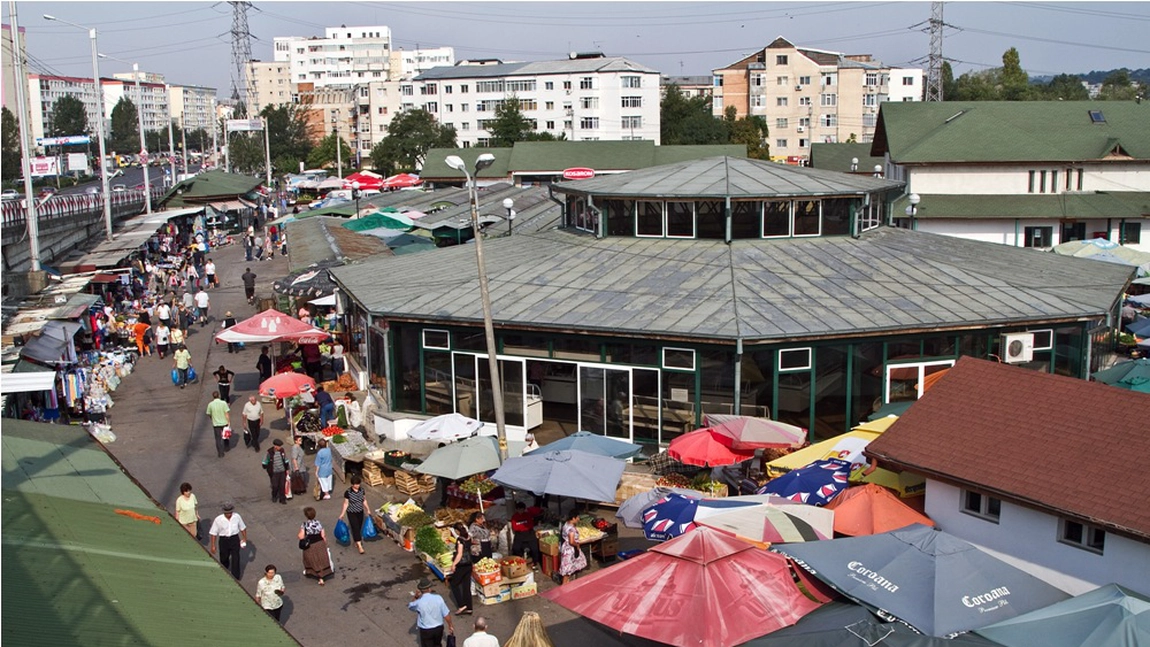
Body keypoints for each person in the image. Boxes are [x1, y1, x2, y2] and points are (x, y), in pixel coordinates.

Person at [409, 577, 454, 647]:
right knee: (437, 644)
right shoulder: (438, 598)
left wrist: (415, 597)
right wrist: (450, 625)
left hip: (426, 630)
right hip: (438, 628)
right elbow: (446, 614)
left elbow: (411, 606)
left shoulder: (419, 602)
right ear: (429, 589)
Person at [208, 502, 248, 579]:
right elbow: (213, 533)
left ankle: (235, 577)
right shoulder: (218, 519)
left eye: (230, 512)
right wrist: (213, 545)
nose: (229, 514)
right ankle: (225, 570)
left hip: (234, 539)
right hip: (224, 540)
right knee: (224, 558)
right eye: (227, 513)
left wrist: (244, 538)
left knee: (236, 558)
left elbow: (243, 528)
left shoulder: (237, 517)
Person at [299, 507, 334, 586]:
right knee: (321, 559)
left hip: (311, 545)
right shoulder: (318, 523)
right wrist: (325, 544)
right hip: (320, 543)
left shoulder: (305, 524)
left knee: (311, 559)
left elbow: (301, 536)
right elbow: (323, 535)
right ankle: (323, 575)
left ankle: (313, 573)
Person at [339, 475, 369, 554]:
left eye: (359, 484)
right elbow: (346, 504)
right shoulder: (348, 492)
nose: (358, 485)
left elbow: (364, 500)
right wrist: (342, 514)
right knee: (355, 527)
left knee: (358, 527)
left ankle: (356, 540)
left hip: (360, 511)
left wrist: (368, 509)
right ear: (352, 484)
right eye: (356, 484)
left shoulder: (362, 490)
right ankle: (360, 546)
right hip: (351, 512)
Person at [449, 523, 474, 615]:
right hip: (469, 564)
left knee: (454, 584)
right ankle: (469, 607)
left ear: (457, 531)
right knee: (466, 586)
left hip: (462, 565)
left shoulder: (460, 540)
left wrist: (454, 564)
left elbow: (460, 554)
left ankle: (461, 605)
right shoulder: (468, 538)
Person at [510, 502, 542, 567]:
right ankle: (520, 560)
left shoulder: (527, 515)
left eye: (521, 509)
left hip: (529, 533)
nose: (520, 511)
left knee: (535, 548)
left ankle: (535, 561)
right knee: (515, 548)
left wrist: (522, 527)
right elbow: (515, 527)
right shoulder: (514, 517)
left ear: (524, 509)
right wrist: (523, 528)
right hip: (519, 534)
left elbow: (530, 525)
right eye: (519, 509)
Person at [559, 512, 588, 585]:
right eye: (577, 517)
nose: (578, 519)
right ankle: (564, 584)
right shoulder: (571, 529)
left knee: (568, 565)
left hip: (565, 547)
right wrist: (577, 545)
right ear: (573, 518)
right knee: (567, 568)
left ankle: (567, 581)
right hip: (570, 549)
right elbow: (571, 541)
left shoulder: (566, 524)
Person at [205, 391, 231, 458]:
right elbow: (226, 413)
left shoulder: (210, 404)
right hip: (224, 422)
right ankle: (226, 447)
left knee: (218, 438)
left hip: (216, 424)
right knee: (226, 435)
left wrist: (212, 418)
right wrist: (228, 421)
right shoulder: (223, 403)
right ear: (219, 395)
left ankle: (220, 453)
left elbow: (208, 413)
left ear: (213, 396)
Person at [265, 439, 290, 504]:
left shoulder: (282, 451)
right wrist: (266, 466)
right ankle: (274, 496)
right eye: (279, 446)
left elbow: (286, 460)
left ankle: (282, 499)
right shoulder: (270, 452)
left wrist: (287, 468)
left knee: (282, 485)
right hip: (274, 472)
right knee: (275, 486)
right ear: (275, 446)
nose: (280, 447)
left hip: (282, 471)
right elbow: (265, 461)